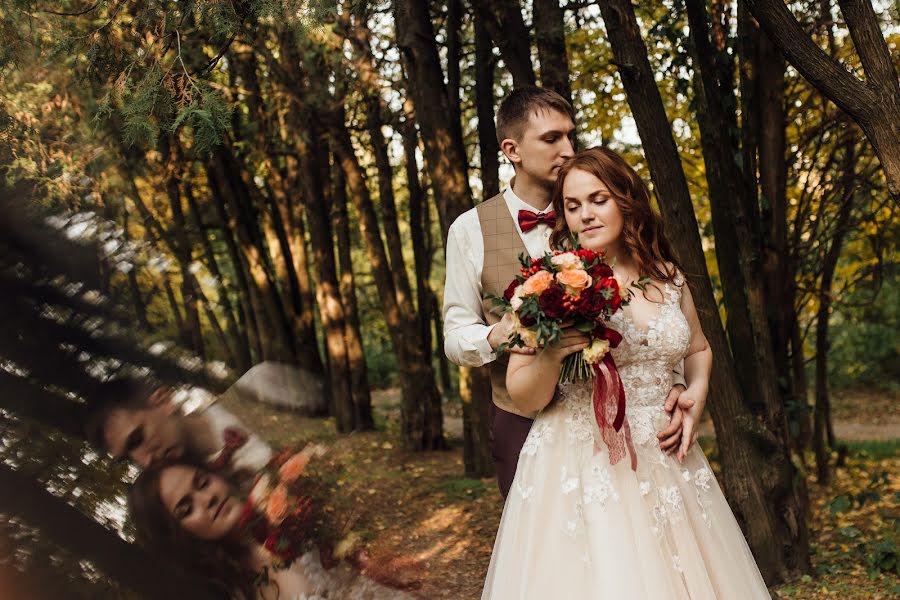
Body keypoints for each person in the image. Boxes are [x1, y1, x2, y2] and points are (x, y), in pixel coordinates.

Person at [481, 148, 770, 598]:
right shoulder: (546, 284)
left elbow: (697, 348)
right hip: (581, 461)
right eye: (573, 206)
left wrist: (696, 390)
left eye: (598, 199)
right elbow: (524, 396)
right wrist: (551, 355)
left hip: (665, 455)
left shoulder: (668, 276)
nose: (585, 215)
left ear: (626, 199)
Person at [442, 86, 687, 497]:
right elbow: (454, 333)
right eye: (552, 139)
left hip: (617, 415)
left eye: (571, 136)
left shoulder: (599, 213)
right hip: (520, 416)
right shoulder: (469, 230)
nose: (568, 149)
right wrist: (496, 334)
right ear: (512, 149)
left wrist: (676, 381)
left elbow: (656, 309)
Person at [129, 460, 411, 600]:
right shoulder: (235, 591)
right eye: (186, 508)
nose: (208, 499)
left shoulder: (294, 507)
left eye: (202, 483)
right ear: (179, 537)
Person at [85, 377, 272, 475]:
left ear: (163, 402)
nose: (145, 461)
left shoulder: (257, 394)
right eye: (128, 458)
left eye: (137, 439)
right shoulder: (202, 501)